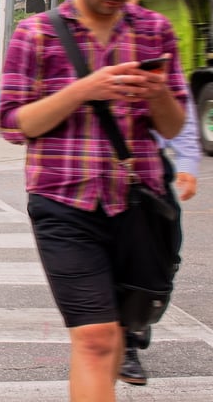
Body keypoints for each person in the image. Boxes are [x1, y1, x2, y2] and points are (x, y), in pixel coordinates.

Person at [0, 0, 187, 401]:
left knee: (121, 333)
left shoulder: (154, 31)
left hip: (137, 203)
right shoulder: (36, 34)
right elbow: (13, 125)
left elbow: (173, 125)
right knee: (96, 337)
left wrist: (157, 92)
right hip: (63, 204)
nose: (115, 0)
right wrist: (84, 89)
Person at [119, 96, 201, 386]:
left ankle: (140, 311)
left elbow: (182, 108)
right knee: (113, 263)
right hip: (93, 174)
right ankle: (126, 340)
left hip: (149, 172)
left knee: (166, 252)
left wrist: (188, 163)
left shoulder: (151, 55)